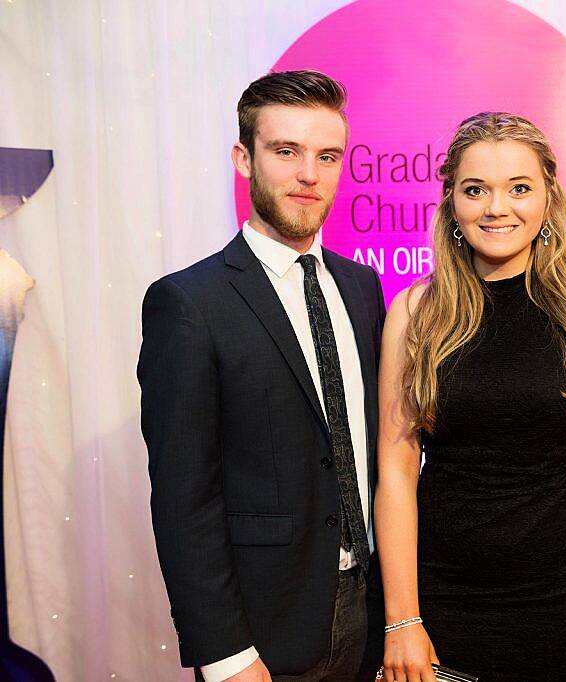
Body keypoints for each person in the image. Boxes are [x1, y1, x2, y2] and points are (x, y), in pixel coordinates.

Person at [373, 113, 566, 682]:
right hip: (441, 603)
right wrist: (402, 620)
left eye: (519, 188)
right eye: (476, 190)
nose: (498, 208)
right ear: (451, 202)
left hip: (565, 603)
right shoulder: (415, 313)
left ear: (549, 201)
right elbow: (396, 474)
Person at [138, 70, 385, 681]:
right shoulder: (189, 304)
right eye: (286, 152)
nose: (309, 175)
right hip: (264, 636)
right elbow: (182, 497)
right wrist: (226, 656)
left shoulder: (362, 288)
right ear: (243, 159)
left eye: (328, 156)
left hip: (374, 615)